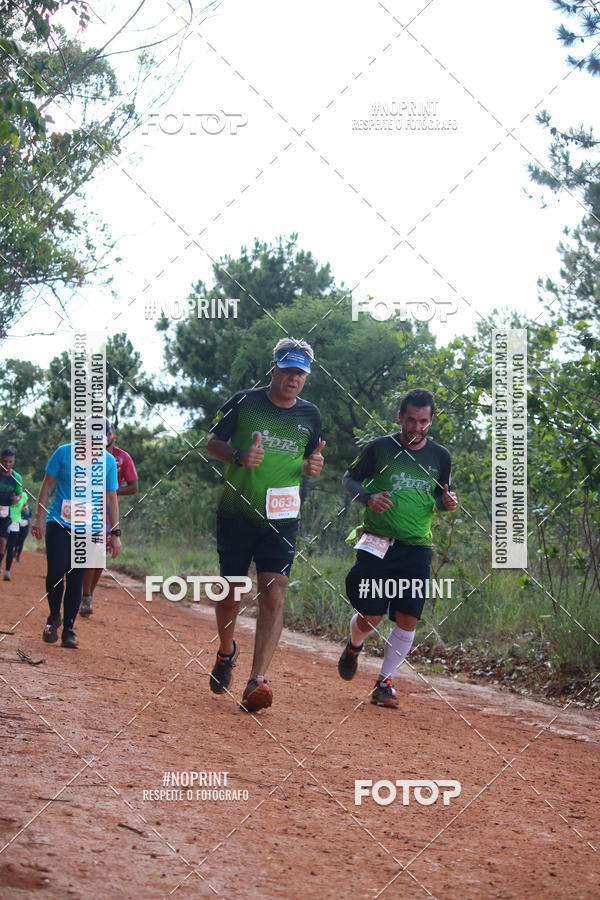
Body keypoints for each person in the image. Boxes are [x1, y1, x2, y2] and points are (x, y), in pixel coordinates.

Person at [206, 338, 325, 712]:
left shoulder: (311, 415)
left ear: (306, 375)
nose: (293, 378)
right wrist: (240, 456)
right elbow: (212, 443)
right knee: (232, 591)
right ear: (273, 367)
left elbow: (309, 459)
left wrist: (311, 467)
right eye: (287, 369)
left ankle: (256, 681)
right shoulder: (244, 402)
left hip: (283, 515)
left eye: (300, 372)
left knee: (275, 590)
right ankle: (227, 652)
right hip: (238, 510)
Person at [338, 389, 457, 708]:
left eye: (423, 421)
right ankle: (354, 642)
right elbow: (349, 480)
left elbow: (437, 497)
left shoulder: (440, 457)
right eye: (410, 420)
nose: (416, 427)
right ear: (399, 417)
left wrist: (445, 504)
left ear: (431, 421)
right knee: (373, 614)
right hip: (377, 543)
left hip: (417, 546)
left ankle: (384, 682)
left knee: (408, 618)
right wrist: (368, 497)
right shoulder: (379, 448)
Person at [31, 422, 122, 649]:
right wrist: (39, 518)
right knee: (55, 571)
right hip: (58, 522)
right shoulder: (63, 453)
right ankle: (54, 616)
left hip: (88, 528)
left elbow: (112, 498)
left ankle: (69, 629)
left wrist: (115, 533)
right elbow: (46, 487)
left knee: (75, 577)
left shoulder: (108, 462)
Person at [80, 422, 138, 617]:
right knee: (90, 554)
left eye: (108, 432)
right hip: (86, 511)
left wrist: (111, 492)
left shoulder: (123, 458)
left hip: (107, 513)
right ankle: (84, 594)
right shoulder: (86, 454)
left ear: (112, 435)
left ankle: (88, 594)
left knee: (100, 557)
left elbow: (133, 486)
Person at [0, 449, 22, 577]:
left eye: (10, 462)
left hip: (7, 512)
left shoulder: (16, 477)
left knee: (3, 541)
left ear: (13, 462)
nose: (7, 464)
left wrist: (16, 499)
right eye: (4, 461)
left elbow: (19, 494)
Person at [3, 490, 29, 580]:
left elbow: (25, 506)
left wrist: (25, 509)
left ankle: (7, 572)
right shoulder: (7, 492)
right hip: (5, 521)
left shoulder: (24, 495)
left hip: (15, 524)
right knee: (2, 547)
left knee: (10, 548)